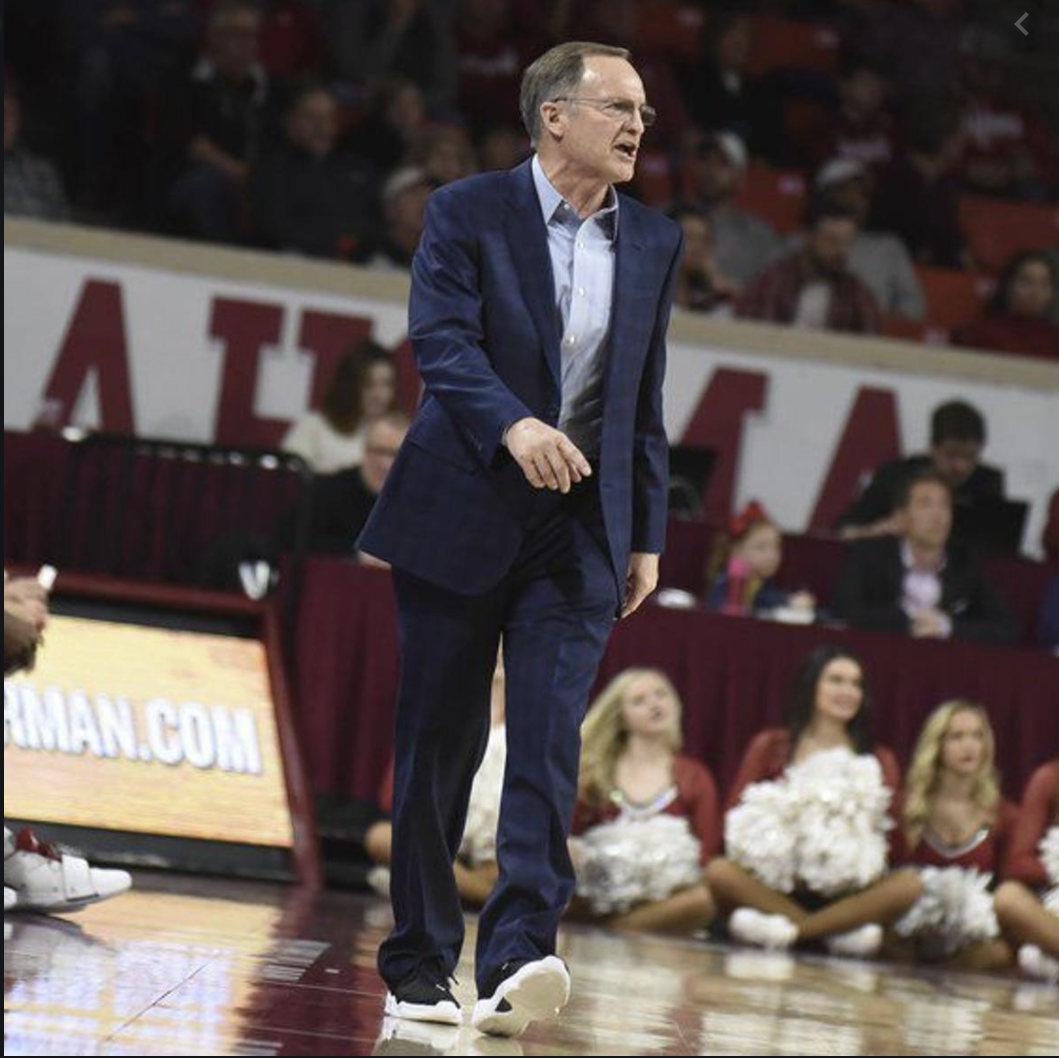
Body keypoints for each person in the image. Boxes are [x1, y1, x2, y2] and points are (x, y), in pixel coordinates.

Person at [357, 40, 682, 1037]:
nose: (637, 126)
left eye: (643, 113)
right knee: (441, 743)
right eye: (618, 107)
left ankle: (516, 955)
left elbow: (642, 396)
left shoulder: (655, 239)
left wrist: (646, 530)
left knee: (546, 743)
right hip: (463, 502)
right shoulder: (466, 210)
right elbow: (441, 342)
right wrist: (514, 424)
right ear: (555, 116)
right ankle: (418, 963)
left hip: (581, 525)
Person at [705, 646, 922, 957]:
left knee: (910, 884)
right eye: (836, 680)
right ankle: (831, 934)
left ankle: (796, 932)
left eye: (856, 684)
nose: (848, 692)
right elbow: (733, 820)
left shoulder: (878, 758)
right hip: (775, 888)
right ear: (811, 686)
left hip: (846, 894)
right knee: (719, 872)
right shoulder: (772, 746)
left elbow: (893, 844)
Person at [569, 668, 719, 934]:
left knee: (702, 899)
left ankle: (612, 933)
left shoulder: (694, 777)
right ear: (621, 717)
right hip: (597, 891)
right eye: (639, 700)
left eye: (661, 694)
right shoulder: (594, 771)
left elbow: (707, 853)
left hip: (664, 898)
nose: (654, 704)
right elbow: (568, 833)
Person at [365, 648, 507, 909]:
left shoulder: (526, 730)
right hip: (443, 843)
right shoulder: (449, 719)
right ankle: (481, 893)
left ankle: (454, 888)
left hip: (498, 846)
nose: (498, 660)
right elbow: (398, 794)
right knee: (381, 837)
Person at [894, 701, 1016, 970]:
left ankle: (938, 975)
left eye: (977, 736)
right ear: (936, 745)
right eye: (957, 737)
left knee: (999, 954)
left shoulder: (1003, 815)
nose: (969, 746)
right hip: (908, 934)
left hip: (969, 941)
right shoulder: (907, 806)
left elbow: (1006, 887)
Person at [832, 468, 1018, 644]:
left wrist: (945, 626)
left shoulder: (965, 562)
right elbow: (846, 610)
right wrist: (910, 621)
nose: (938, 516)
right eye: (925, 505)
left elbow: (1007, 628)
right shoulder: (870, 554)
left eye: (944, 505)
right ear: (901, 517)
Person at [836, 400, 1005, 540]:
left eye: (971, 456)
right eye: (951, 454)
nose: (961, 466)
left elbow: (997, 547)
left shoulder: (987, 482)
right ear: (933, 449)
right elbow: (842, 530)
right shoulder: (895, 475)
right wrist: (878, 529)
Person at [247, 80, 376, 260]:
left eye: (328, 118)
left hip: (358, 263)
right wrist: (330, 248)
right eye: (311, 117)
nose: (321, 126)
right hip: (293, 261)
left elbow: (375, 223)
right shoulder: (271, 169)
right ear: (289, 120)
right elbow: (274, 227)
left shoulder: (358, 169)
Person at [737, 197, 882, 334]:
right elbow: (752, 333)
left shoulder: (855, 294)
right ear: (808, 237)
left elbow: (870, 342)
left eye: (847, 244)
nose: (841, 252)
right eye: (832, 241)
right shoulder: (773, 280)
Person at [808, 157, 924, 320]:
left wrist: (885, 322)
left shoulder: (888, 247)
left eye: (862, 194)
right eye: (845, 191)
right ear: (825, 195)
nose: (856, 200)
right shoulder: (795, 244)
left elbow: (914, 306)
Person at [282, 339, 398, 474]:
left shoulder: (401, 437)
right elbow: (289, 478)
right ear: (348, 386)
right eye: (369, 384)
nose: (378, 394)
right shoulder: (313, 427)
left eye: (386, 384)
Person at [301, 412, 409, 556]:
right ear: (364, 450)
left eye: (395, 455)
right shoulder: (328, 491)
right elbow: (295, 540)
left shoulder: (417, 503)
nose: (385, 464)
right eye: (379, 451)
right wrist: (355, 555)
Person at [685, 131, 780, 290]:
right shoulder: (667, 219)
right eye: (705, 160)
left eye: (723, 163)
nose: (711, 169)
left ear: (740, 177)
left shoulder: (758, 236)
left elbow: (769, 292)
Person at [995, 759, 1059, 982]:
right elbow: (1018, 862)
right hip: (1052, 903)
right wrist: (1054, 869)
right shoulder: (1050, 778)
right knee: (1008, 897)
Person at [703, 501, 814, 617]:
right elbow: (759, 600)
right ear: (736, 551)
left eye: (776, 547)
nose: (772, 555)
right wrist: (787, 601)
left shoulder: (763, 582)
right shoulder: (724, 583)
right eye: (761, 547)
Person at [958, 250, 1059, 362]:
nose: (1036, 292)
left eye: (1044, 284)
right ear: (1009, 285)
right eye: (1027, 282)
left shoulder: (1054, 339)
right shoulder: (983, 333)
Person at [666, 202, 737, 315]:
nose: (698, 247)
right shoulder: (650, 289)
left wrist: (714, 276)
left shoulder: (706, 296)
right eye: (689, 237)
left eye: (704, 240)